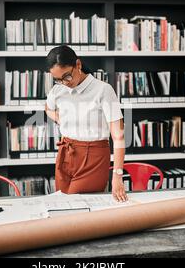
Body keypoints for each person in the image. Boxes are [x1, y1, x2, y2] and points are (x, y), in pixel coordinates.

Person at [44, 45, 127, 202]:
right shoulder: (58, 90)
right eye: (58, 79)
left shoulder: (104, 90)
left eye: (67, 76)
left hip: (93, 158)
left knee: (79, 208)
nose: (64, 82)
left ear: (78, 65)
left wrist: (117, 175)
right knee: (62, 205)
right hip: (65, 154)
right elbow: (47, 108)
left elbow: (119, 136)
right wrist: (59, 118)